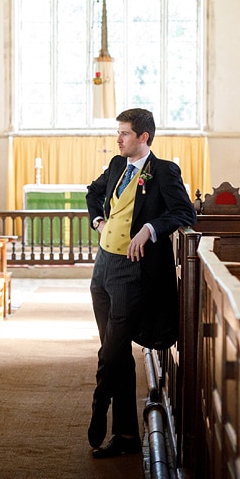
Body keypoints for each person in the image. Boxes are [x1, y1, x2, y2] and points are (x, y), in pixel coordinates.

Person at [85, 107, 195, 457]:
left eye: (124, 133)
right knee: (116, 352)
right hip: (103, 267)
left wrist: (150, 229)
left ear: (143, 137)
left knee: (112, 349)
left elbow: (183, 212)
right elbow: (93, 192)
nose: (118, 139)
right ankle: (127, 436)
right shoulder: (118, 165)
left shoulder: (163, 171)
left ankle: (100, 404)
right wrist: (99, 220)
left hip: (132, 272)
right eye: (118, 133)